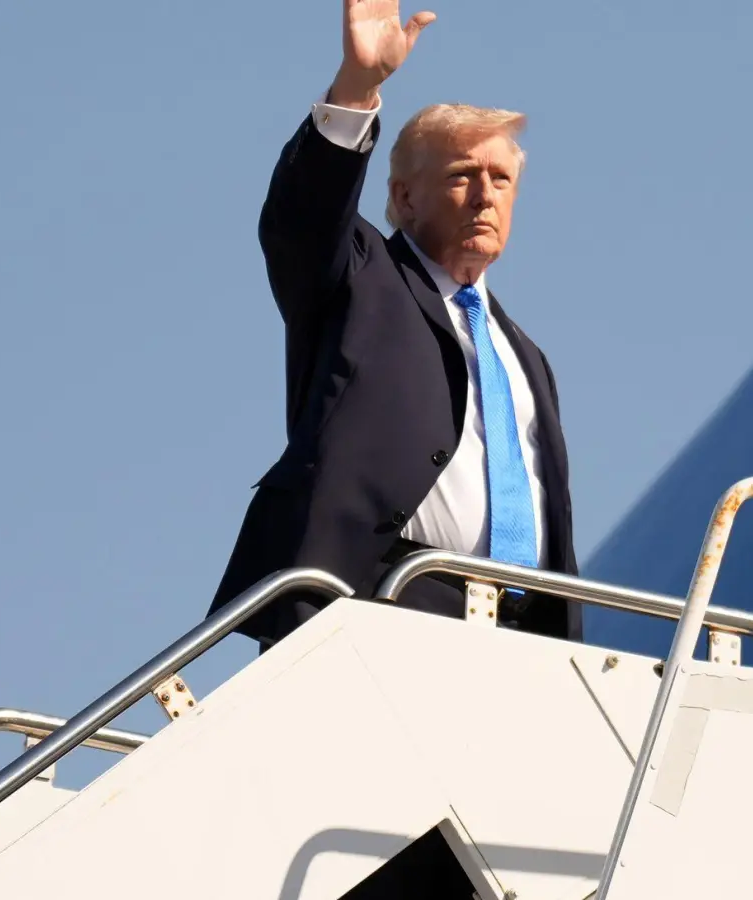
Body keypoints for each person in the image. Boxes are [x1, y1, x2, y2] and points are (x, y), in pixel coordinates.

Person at [207, 0, 582, 656]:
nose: (485, 195)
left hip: (524, 639)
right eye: (463, 176)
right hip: (379, 603)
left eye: (500, 179)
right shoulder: (362, 278)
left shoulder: (525, 355)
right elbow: (303, 219)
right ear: (406, 198)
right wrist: (357, 87)